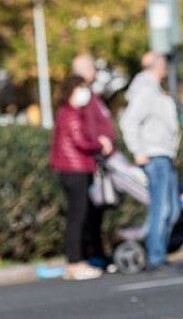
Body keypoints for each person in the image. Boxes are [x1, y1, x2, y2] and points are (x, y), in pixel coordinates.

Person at [119, 52, 181, 272]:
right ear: (159, 66)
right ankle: (155, 256)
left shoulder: (155, 90)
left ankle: (159, 252)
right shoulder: (145, 90)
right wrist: (138, 151)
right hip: (155, 157)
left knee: (172, 210)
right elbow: (129, 121)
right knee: (161, 209)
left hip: (165, 156)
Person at [50, 74, 113, 281]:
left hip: (72, 168)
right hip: (75, 169)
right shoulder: (71, 114)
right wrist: (100, 143)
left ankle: (77, 261)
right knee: (78, 217)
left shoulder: (67, 112)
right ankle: (75, 262)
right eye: (81, 88)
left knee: (77, 216)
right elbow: (81, 141)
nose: (85, 93)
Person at [70, 53, 117, 269]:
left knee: (95, 211)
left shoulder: (91, 94)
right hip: (83, 163)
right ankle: (83, 257)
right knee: (84, 212)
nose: (94, 72)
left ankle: (95, 253)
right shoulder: (80, 95)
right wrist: (98, 143)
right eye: (91, 68)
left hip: (93, 160)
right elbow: (82, 129)